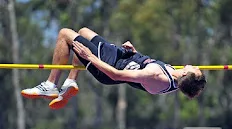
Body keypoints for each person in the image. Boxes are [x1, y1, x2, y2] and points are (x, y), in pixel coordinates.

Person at [21, 27, 207, 110]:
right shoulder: (173, 75)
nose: (196, 66)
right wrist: (136, 53)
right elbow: (144, 66)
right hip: (123, 57)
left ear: (185, 74)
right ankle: (70, 82)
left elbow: (116, 75)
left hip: (109, 67)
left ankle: (51, 84)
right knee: (84, 32)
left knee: (65, 34)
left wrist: (90, 57)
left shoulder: (157, 76)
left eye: (195, 69)